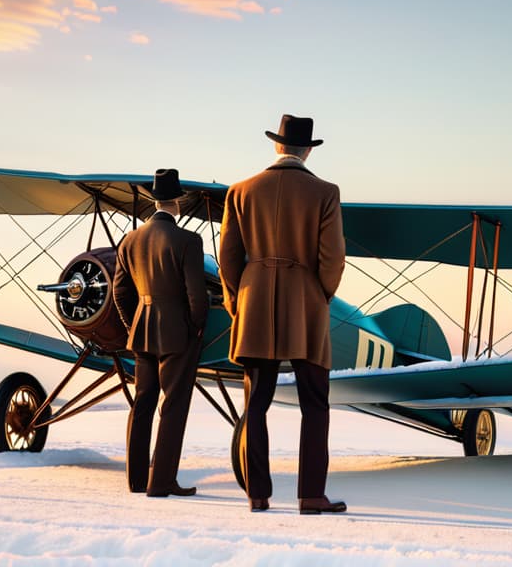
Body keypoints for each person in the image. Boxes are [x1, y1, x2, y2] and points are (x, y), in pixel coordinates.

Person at [219, 114, 346, 515]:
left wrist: (236, 302)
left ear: (277, 146)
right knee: (315, 403)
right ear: (307, 150)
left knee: (256, 401)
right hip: (306, 302)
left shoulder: (239, 192)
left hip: (253, 300)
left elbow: (228, 259)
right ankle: (311, 495)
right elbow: (333, 260)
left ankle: (258, 493)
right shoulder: (326, 192)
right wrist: (319, 296)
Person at [112, 168, 208, 497]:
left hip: (141, 330)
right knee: (174, 405)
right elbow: (197, 295)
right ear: (178, 201)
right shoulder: (188, 241)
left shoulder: (129, 241)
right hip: (176, 332)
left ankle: (137, 480)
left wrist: (132, 324)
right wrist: (196, 327)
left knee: (142, 404)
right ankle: (162, 480)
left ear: (154, 200)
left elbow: (119, 293)